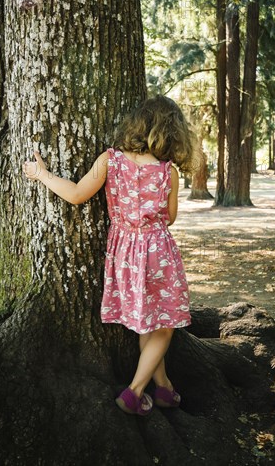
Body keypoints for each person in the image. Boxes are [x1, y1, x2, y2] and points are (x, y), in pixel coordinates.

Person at [22, 94, 196, 416]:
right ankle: (134, 392)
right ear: (171, 133)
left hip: (125, 254)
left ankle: (165, 388)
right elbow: (169, 217)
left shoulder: (110, 160)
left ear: (138, 124)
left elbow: (75, 194)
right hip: (158, 254)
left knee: (149, 321)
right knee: (164, 325)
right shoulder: (167, 172)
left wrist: (42, 174)